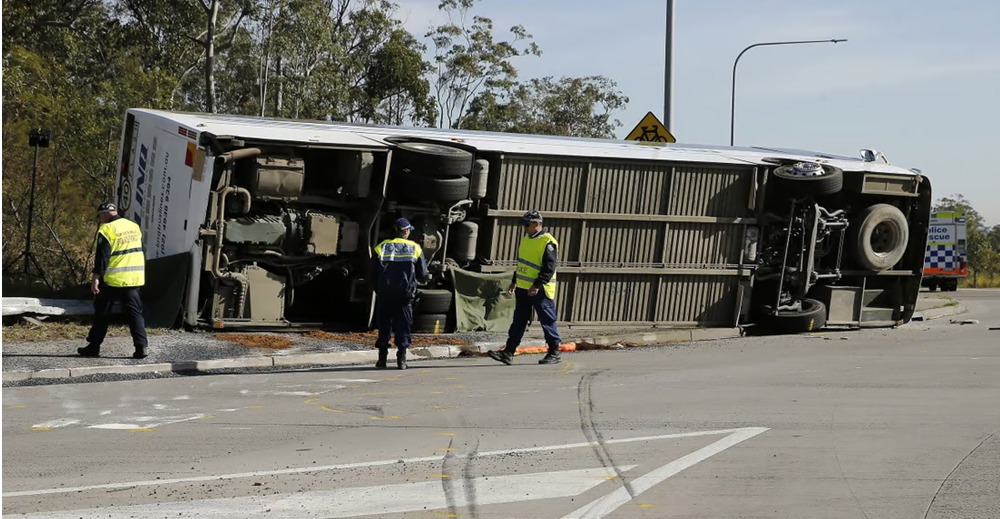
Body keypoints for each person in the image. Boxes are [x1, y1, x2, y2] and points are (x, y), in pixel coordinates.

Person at [489, 210, 563, 366]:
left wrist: (537, 284)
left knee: (547, 321)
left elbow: (549, 268)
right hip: (523, 288)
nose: (524, 228)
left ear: (537, 223)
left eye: (527, 225)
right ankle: (508, 352)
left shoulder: (547, 241)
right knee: (519, 320)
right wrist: (514, 281)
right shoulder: (526, 239)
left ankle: (554, 351)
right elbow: (523, 263)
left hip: (540, 289)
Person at [78, 202, 148, 359]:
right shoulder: (133, 226)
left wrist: (96, 278)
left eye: (100, 216)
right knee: (135, 314)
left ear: (103, 214)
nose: (100, 220)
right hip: (134, 278)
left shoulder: (106, 229)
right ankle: (141, 347)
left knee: (102, 314)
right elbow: (140, 249)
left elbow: (102, 257)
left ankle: (93, 347)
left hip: (113, 280)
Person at [371, 217, 428, 370]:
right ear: (406, 231)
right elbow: (423, 273)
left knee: (384, 327)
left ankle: (382, 359)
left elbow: (371, 272)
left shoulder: (381, 247)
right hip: (405, 296)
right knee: (403, 327)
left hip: (385, 294)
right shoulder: (414, 248)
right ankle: (401, 360)